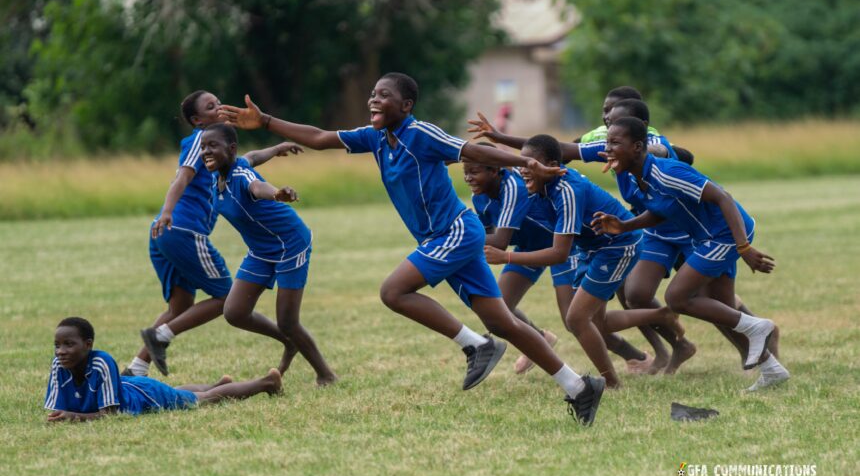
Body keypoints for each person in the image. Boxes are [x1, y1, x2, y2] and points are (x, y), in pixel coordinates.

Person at [220, 72, 605, 425]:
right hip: (442, 238)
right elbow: (321, 138)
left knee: (394, 291)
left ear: (406, 106)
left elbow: (474, 151)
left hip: (454, 232)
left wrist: (526, 162)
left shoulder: (421, 134)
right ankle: (579, 387)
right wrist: (266, 122)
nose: (374, 100)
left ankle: (476, 347)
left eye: (384, 96)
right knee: (503, 322)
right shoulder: (374, 138)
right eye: (372, 94)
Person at [592, 117, 790, 391]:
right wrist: (625, 225)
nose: (608, 148)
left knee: (676, 297)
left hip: (724, 234)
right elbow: (662, 211)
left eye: (615, 142)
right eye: (607, 142)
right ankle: (772, 370)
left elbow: (723, 197)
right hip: (706, 237)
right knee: (722, 307)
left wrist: (743, 247)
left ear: (637, 147)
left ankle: (758, 327)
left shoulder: (666, 172)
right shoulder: (638, 178)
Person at [483, 134, 684, 389]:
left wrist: (506, 256)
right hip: (591, 247)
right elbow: (494, 160)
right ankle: (662, 315)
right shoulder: (535, 184)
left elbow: (559, 254)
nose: (525, 169)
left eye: (532, 164)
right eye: (522, 164)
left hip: (618, 244)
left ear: (553, 165)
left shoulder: (567, 190)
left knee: (576, 319)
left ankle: (611, 383)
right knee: (595, 323)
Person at [128, 90, 303, 378]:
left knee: (181, 306)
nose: (220, 107)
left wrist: (274, 150)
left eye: (219, 102)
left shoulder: (213, 150)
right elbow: (181, 178)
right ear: (197, 120)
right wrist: (169, 211)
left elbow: (244, 161)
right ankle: (162, 336)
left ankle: (136, 368)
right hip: (182, 229)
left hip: (164, 233)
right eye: (211, 106)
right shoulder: (201, 140)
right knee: (226, 298)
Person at [464, 152, 652, 374]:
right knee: (500, 306)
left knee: (574, 319)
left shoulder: (514, 187)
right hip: (529, 247)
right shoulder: (480, 198)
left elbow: (499, 242)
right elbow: (490, 236)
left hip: (563, 246)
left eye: (474, 172)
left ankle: (635, 356)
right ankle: (539, 337)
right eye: (465, 172)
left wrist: (456, 234)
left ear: (494, 171)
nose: (468, 178)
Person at [199, 123, 337, 386]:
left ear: (230, 149)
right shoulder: (222, 172)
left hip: (290, 243)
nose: (206, 151)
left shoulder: (241, 177)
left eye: (212, 146)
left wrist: (276, 193)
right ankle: (289, 341)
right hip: (261, 250)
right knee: (235, 312)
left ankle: (326, 374)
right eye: (204, 146)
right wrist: (277, 148)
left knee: (287, 320)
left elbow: (257, 188)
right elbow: (252, 157)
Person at [45, 317, 281, 421]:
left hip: (144, 395)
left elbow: (111, 415)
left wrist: (74, 417)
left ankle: (266, 383)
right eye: (57, 345)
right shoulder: (59, 364)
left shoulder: (101, 362)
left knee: (200, 400)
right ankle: (220, 384)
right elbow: (59, 406)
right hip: (131, 387)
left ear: (88, 345)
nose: (61, 351)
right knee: (177, 392)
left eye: (69, 344)